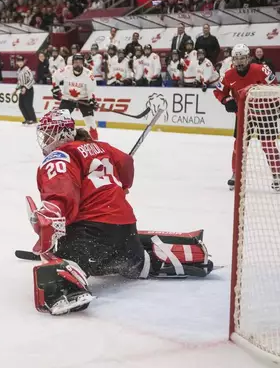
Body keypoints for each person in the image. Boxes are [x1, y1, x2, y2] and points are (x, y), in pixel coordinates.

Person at [27, 109, 213, 314]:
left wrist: (51, 218)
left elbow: (61, 192)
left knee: (65, 256)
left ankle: (68, 281)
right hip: (126, 228)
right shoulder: (99, 146)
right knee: (132, 261)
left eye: (49, 133)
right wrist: (123, 185)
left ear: (63, 134)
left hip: (92, 232)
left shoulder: (60, 156)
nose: (45, 139)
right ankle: (168, 254)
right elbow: (125, 162)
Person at [213, 44, 280, 191]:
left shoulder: (261, 69)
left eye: (242, 58)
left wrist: (278, 104)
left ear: (248, 58)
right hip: (244, 116)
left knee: (268, 145)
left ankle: (277, 175)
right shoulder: (228, 74)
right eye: (236, 59)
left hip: (265, 114)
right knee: (239, 145)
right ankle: (235, 174)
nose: (239, 62)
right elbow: (219, 91)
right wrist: (226, 100)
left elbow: (276, 87)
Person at [51, 54, 99, 140]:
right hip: (68, 98)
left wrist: (92, 100)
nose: (78, 64)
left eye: (80, 62)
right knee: (60, 119)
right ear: (72, 63)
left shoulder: (88, 74)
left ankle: (95, 142)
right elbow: (55, 76)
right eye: (76, 62)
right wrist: (55, 88)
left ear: (83, 63)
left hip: (83, 99)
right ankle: (58, 140)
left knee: (90, 122)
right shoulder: (66, 70)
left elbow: (91, 90)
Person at [15, 55, 36, 125]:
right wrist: (16, 89)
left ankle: (33, 119)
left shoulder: (26, 69)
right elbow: (19, 81)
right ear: (16, 62)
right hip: (22, 90)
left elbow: (32, 80)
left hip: (29, 90)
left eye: (21, 61)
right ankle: (27, 119)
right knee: (21, 105)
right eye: (18, 61)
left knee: (28, 105)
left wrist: (25, 87)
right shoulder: (18, 71)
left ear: (23, 62)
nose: (20, 63)